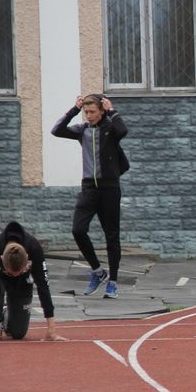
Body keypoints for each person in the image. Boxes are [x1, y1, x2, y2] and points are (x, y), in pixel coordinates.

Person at [52, 94, 129, 299]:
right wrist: (74, 110)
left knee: (111, 236)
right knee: (78, 230)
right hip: (89, 189)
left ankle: (112, 281)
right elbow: (56, 130)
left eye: (92, 111)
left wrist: (112, 111)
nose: (89, 115)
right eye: (86, 112)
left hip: (110, 189)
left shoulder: (110, 129)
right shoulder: (82, 130)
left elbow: (123, 130)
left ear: (101, 111)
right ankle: (97, 271)